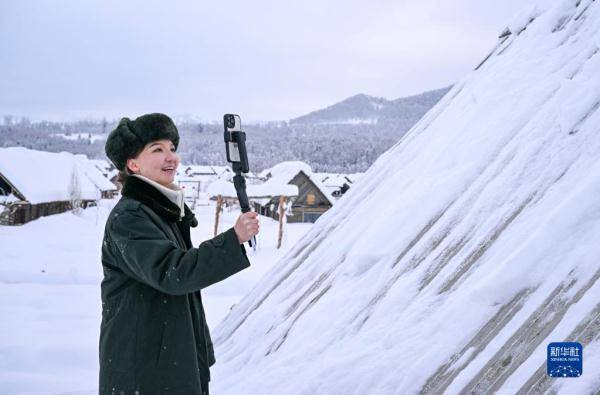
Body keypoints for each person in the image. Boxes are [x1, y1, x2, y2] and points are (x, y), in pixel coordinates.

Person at [100, 113, 259, 394]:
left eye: (172, 148)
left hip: (169, 361)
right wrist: (233, 239)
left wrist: (199, 351)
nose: (171, 157)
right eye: (157, 149)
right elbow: (174, 273)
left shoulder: (161, 209)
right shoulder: (130, 217)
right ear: (132, 164)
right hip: (143, 371)